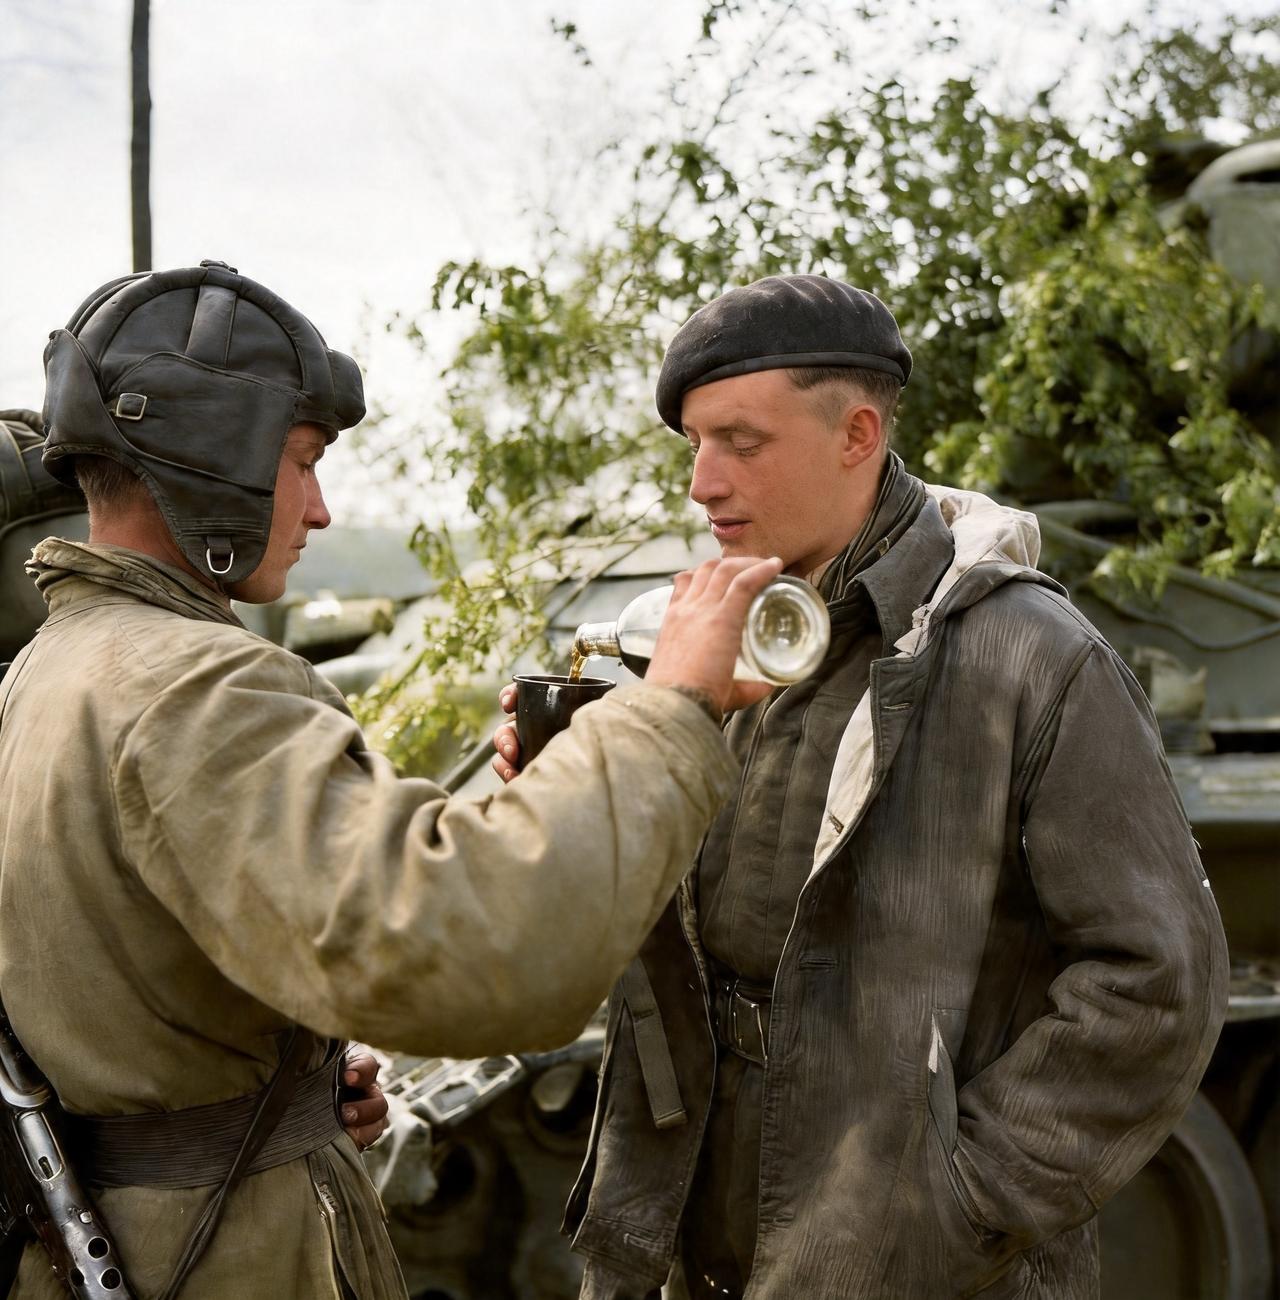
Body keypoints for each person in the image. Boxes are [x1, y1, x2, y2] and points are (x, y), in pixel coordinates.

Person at [0, 261, 783, 1299]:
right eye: (302, 462)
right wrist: (674, 702)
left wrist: (282, 1098)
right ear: (214, 460)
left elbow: (140, 997)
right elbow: (471, 949)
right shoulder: (192, 688)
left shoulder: (53, 667)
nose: (320, 509)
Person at [493, 275, 1229, 1299]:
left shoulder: (1028, 655)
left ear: (857, 435)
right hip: (694, 1223)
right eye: (694, 444)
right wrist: (590, 785)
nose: (701, 483)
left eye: (740, 442)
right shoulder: (719, 641)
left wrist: (953, 1206)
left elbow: (1157, 983)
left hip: (910, 1259)